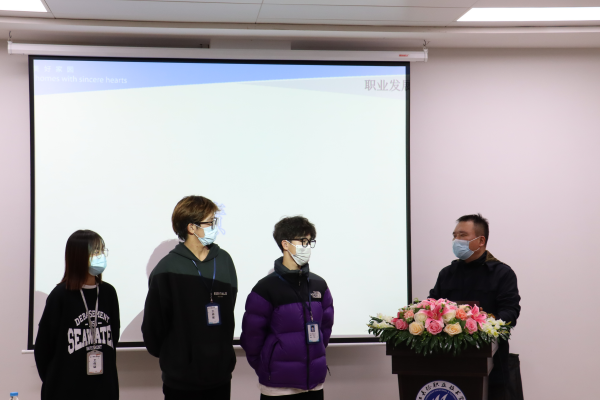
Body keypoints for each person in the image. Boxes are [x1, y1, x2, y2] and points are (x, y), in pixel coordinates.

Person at [142, 195, 238, 400]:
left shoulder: (224, 261)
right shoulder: (167, 269)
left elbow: (229, 307)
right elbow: (154, 326)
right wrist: (177, 358)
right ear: (192, 227)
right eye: (210, 222)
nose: (215, 227)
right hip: (181, 382)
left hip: (220, 377)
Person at [241, 216, 334, 400]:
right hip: (278, 388)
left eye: (310, 242)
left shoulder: (319, 285)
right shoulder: (265, 288)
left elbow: (325, 328)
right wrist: (266, 366)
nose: (307, 247)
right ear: (285, 244)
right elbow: (252, 337)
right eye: (303, 241)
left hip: (314, 385)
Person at [429, 214, 521, 399]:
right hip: (449, 363)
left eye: (462, 235)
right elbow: (432, 306)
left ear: (481, 241)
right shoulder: (447, 273)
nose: (456, 240)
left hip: (491, 364)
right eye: (454, 235)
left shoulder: (502, 273)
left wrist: (483, 323)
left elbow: (510, 312)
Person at [34, 230, 120, 400]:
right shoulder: (60, 295)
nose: (101, 256)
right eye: (95, 251)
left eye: (102, 250)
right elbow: (43, 348)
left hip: (103, 389)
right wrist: (56, 382)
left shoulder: (108, 293)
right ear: (79, 256)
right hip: (66, 391)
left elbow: (113, 337)